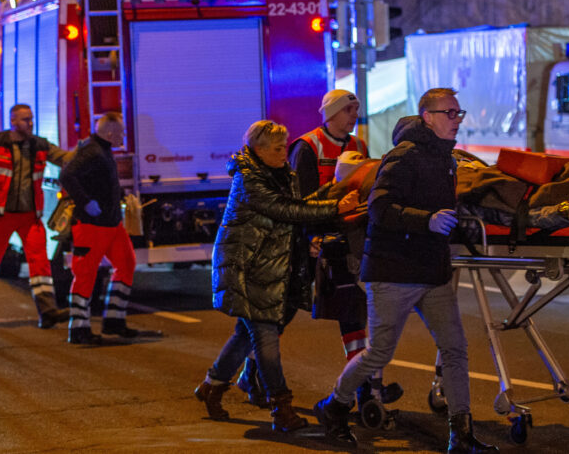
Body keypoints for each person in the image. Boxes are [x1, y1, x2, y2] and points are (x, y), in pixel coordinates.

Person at [314, 88, 498, 453]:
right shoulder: (404, 155)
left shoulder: (446, 157)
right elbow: (380, 209)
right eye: (449, 113)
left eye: (459, 113)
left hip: (431, 271)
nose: (457, 120)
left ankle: (461, 436)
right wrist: (427, 220)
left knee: (455, 349)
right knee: (379, 353)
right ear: (427, 117)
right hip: (393, 271)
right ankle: (334, 406)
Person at [194, 120, 359, 432]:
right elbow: (287, 211)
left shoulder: (282, 174)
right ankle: (281, 409)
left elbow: (298, 205)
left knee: (245, 335)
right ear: (258, 150)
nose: (285, 152)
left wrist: (333, 189)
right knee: (266, 338)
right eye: (278, 148)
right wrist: (335, 207)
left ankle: (211, 386)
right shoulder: (249, 179)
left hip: (266, 268)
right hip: (246, 269)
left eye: (284, 146)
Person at [285, 88, 402, 409]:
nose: (355, 115)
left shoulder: (359, 146)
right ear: (332, 113)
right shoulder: (307, 147)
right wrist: (311, 237)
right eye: (349, 109)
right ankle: (253, 369)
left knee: (352, 311)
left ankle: (365, 385)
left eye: (356, 109)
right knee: (283, 310)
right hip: (313, 242)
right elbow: (300, 201)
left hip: (345, 240)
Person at [0, 104, 71, 329]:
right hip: (1, 216)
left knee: (40, 262)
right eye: (25, 119)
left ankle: (48, 311)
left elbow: (65, 159)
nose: (30, 123)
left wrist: (88, 149)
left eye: (31, 119)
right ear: (13, 121)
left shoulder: (40, 145)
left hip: (30, 217)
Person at [59, 112, 140, 344]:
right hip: (91, 225)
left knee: (126, 264)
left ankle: (114, 320)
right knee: (85, 274)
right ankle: (78, 329)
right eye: (121, 132)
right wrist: (86, 202)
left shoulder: (100, 150)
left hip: (110, 224)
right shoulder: (92, 151)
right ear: (110, 132)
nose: (124, 135)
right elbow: (67, 175)